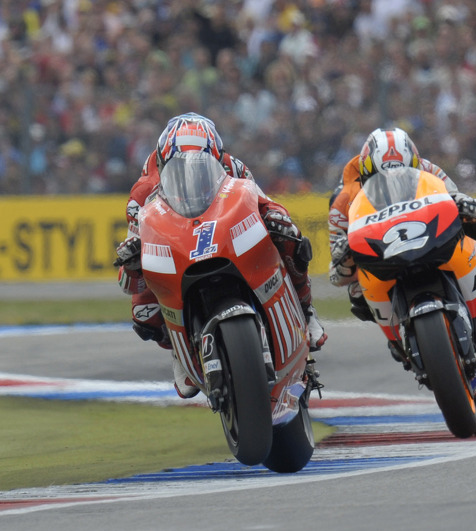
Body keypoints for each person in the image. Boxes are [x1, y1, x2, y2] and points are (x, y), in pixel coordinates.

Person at [115, 112, 327, 398]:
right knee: (143, 313)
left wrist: (278, 219)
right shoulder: (143, 190)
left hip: (220, 229)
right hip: (176, 238)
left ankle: (305, 308)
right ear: (164, 162)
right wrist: (131, 258)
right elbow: (129, 273)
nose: (192, 171)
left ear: (216, 156)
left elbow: (264, 202)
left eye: (203, 163)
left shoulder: (233, 166)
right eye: (180, 166)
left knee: (291, 240)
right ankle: (179, 351)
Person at [327, 127, 476, 332]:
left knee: (475, 224)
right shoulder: (343, 201)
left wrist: (468, 207)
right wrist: (344, 262)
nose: (394, 185)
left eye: (403, 176)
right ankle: (395, 331)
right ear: (365, 175)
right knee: (356, 292)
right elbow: (336, 274)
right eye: (383, 180)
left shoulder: (428, 169)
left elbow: (456, 202)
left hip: (426, 233)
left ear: (415, 165)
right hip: (382, 251)